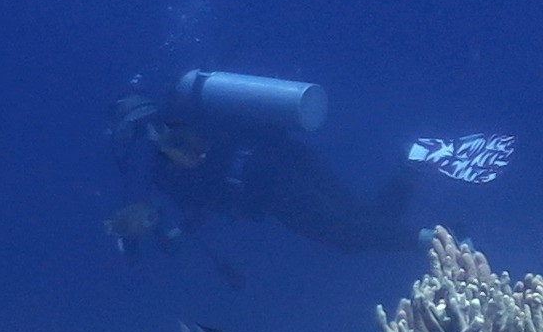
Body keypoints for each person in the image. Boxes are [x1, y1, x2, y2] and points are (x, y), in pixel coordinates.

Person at [109, 74, 420, 256]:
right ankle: (412, 167)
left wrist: (144, 238)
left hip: (262, 182)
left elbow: (182, 196)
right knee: (360, 217)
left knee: (345, 234)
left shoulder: (151, 147)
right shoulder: (187, 111)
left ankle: (439, 239)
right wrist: (180, 231)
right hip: (287, 151)